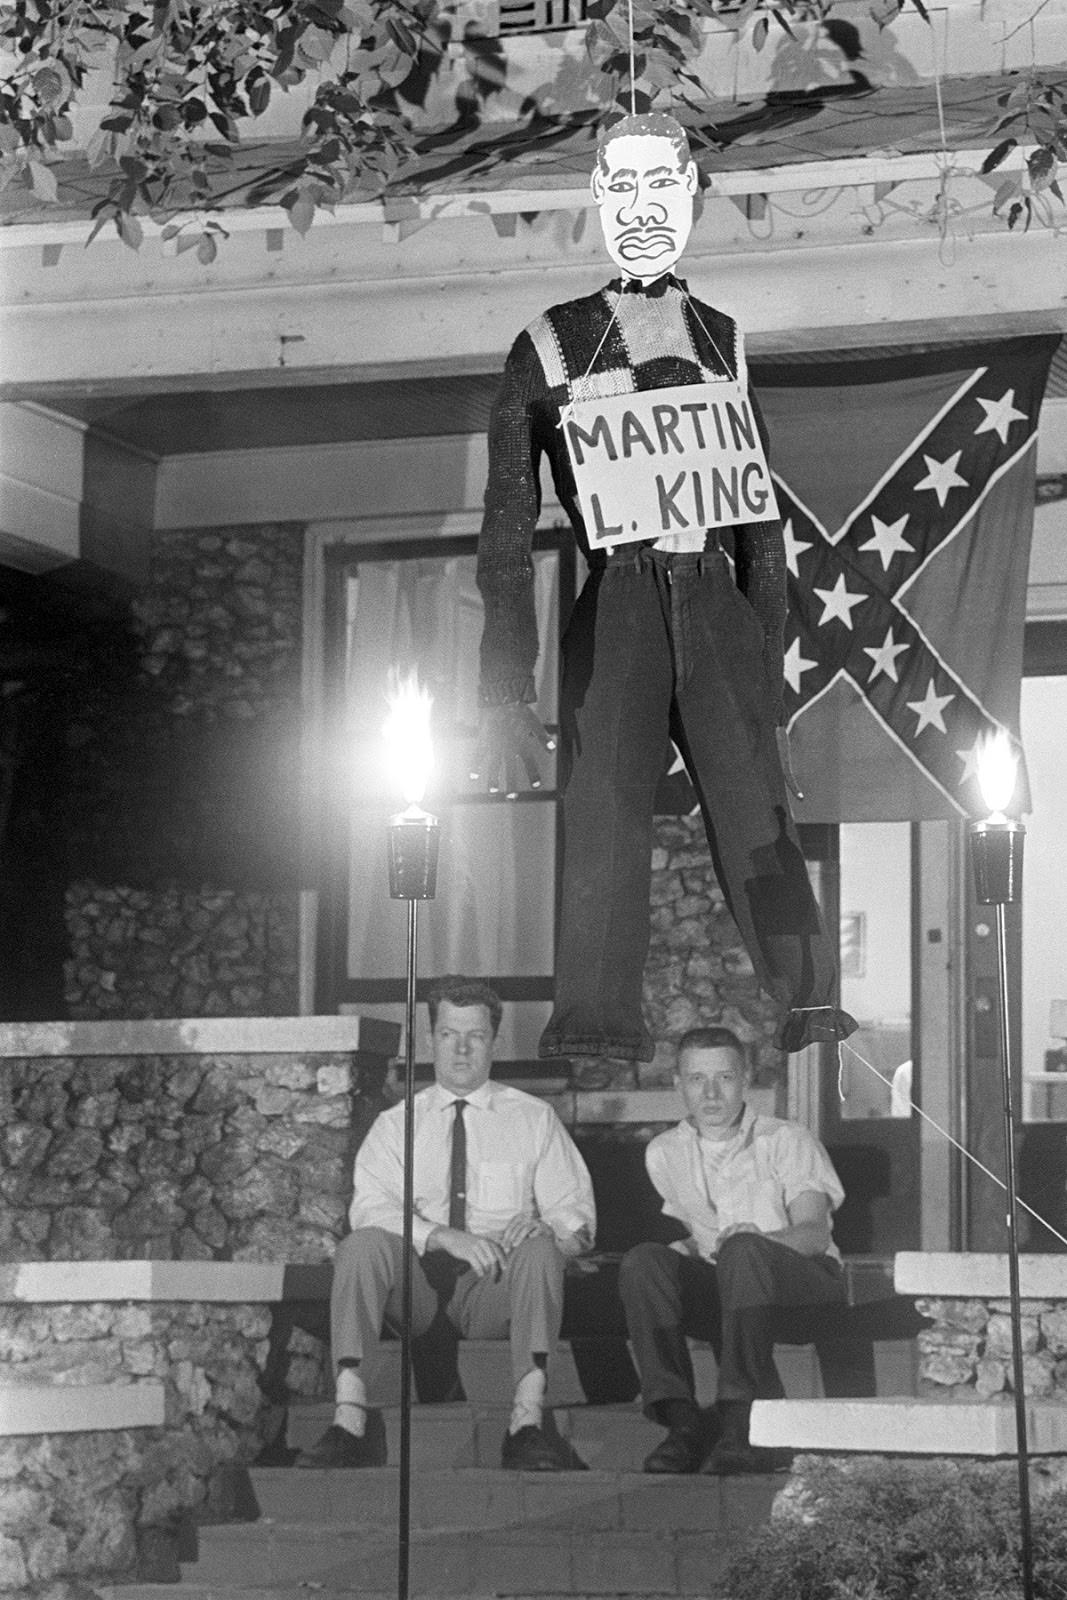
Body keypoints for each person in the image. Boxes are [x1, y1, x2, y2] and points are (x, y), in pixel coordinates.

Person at [473, 109, 855, 1064]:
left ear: (690, 196)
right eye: (622, 189)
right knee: (602, 803)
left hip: (713, 590)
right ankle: (595, 1017)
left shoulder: (723, 338)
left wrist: (769, 661)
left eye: (661, 187)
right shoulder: (548, 343)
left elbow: (761, 522)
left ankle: (804, 992)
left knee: (754, 802)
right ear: (598, 201)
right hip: (621, 598)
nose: (642, 209)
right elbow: (507, 531)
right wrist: (503, 685)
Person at [296, 974, 596, 1472]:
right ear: (430, 1040)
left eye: (475, 1037)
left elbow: (575, 1214)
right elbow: (369, 1208)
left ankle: (526, 1421)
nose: (461, 1050)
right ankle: (349, 1417)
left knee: (543, 1250)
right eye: (448, 1035)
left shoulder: (533, 1118)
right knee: (362, 1245)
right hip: (416, 1289)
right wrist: (439, 1235)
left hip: (494, 1289)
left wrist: (550, 1230)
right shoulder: (396, 1125)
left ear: (494, 1042)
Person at [619, 1026, 845, 1474]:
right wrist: (673, 1263)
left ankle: (740, 1420)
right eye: (697, 1079)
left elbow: (813, 1233)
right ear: (678, 1084)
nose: (711, 1092)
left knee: (743, 1250)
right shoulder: (664, 1153)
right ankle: (680, 1421)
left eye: (723, 1078)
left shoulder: (786, 1140)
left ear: (745, 1080)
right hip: (729, 1286)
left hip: (801, 1280)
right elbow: (699, 1233)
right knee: (644, 1261)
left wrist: (756, 1243)